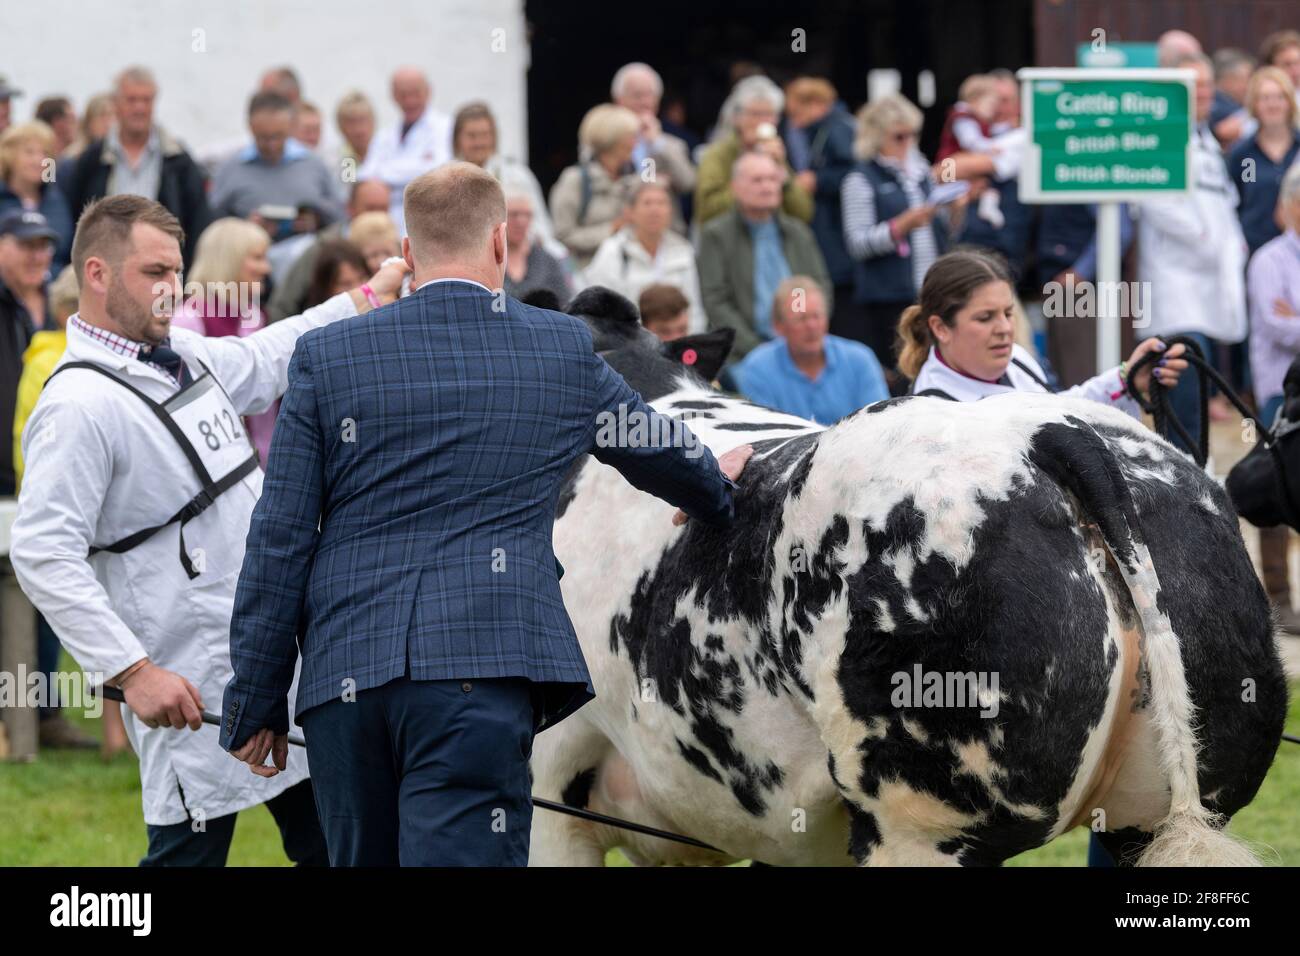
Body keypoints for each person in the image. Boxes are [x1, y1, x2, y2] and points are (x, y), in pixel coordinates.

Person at [218, 161, 751, 867]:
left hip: (345, 682)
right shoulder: (560, 346)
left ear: (407, 254)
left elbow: (278, 536)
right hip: (479, 670)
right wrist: (716, 487)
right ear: (501, 242)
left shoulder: (326, 353)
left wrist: (256, 697)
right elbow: (657, 450)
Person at [8, 193, 408, 866]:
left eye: (176, 273)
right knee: (189, 855)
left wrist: (366, 298)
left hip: (269, 649)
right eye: (154, 272)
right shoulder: (76, 405)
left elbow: (262, 360)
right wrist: (131, 671)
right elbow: (43, 552)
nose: (171, 290)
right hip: (186, 668)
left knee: (343, 844)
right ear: (98, 274)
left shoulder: (180, 353)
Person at [12, 264, 119, 753]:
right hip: (69, 506)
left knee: (95, 617)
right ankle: (39, 723)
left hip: (99, 505)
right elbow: (31, 438)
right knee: (72, 611)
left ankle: (100, 730)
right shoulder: (51, 364)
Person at [1135, 52, 1249, 451]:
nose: (1203, 94)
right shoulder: (1157, 134)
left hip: (1207, 287)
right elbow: (1152, 200)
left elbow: (1224, 203)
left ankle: (1196, 481)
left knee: (1197, 394)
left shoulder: (1206, 140)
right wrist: (1203, 238)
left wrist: (1233, 245)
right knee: (1180, 403)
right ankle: (1179, 488)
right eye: (1192, 86)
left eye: (1206, 86)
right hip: (1176, 288)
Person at [901, 248, 1185, 407]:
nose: (1004, 329)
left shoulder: (1017, 360)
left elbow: (1058, 414)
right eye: (985, 317)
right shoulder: (932, 414)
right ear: (940, 328)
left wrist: (1127, 378)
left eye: (1008, 313)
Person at [841, 94, 956, 373]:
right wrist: (900, 227)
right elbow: (857, 243)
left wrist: (954, 209)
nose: (908, 143)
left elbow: (943, 232)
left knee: (934, 368)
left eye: (913, 135)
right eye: (899, 136)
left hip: (928, 289)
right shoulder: (860, 178)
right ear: (876, 137)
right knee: (901, 372)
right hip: (889, 297)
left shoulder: (920, 172)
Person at [60, 67, 211, 267]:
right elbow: (73, 216)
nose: (139, 108)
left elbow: (198, 219)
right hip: (104, 269)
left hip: (163, 270)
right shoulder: (92, 159)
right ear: (115, 103)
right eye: (131, 100)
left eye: (146, 100)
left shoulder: (178, 160)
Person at [698, 151, 831, 363]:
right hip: (743, 352)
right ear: (735, 188)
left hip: (803, 347)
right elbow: (716, 302)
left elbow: (820, 287)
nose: (767, 187)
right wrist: (756, 349)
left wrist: (805, 334)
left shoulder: (798, 232)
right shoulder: (716, 235)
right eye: (757, 180)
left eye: (772, 179)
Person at [170, 218, 278, 463]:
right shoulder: (188, 319)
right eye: (258, 258)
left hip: (260, 464)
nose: (266, 269)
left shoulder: (254, 315)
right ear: (229, 259)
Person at [1246, 164, 1300, 633]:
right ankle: (1279, 598)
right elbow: (1275, 325)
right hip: (1279, 391)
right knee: (1275, 488)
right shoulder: (1269, 259)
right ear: (1291, 205)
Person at [732, 275, 888, 424]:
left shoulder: (860, 359)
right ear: (778, 327)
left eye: (817, 316)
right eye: (801, 319)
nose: (812, 326)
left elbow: (880, 423)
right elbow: (765, 435)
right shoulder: (757, 368)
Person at [781, 78, 857, 328]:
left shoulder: (839, 129)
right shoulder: (819, 130)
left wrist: (818, 180)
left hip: (839, 236)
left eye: (797, 112)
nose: (793, 120)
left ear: (816, 104)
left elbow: (853, 173)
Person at [580, 180, 704, 332]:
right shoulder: (612, 252)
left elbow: (694, 310)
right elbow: (598, 310)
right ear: (629, 212)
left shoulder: (683, 251)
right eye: (647, 203)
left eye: (662, 203)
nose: (655, 210)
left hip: (678, 344)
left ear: (670, 211)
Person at [210, 91, 342, 231]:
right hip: (248, 247)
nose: (272, 145)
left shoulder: (319, 162)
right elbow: (210, 221)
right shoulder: (231, 169)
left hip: (307, 246)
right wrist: (244, 228)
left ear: (291, 127)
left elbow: (340, 214)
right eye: (264, 138)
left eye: (278, 136)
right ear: (251, 127)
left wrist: (317, 220)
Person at [451, 101, 566, 260]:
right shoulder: (445, 178)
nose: (479, 143)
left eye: (485, 135)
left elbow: (541, 228)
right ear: (457, 139)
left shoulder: (517, 175)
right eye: (471, 136)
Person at [265, 178, 391, 322]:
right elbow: (284, 304)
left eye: (383, 209)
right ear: (350, 208)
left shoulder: (394, 247)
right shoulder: (321, 248)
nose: (377, 215)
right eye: (370, 208)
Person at [695, 75, 813, 225]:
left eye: (769, 114)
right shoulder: (717, 155)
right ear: (737, 118)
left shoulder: (776, 155)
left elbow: (803, 213)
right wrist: (746, 186)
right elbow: (706, 211)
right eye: (755, 114)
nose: (762, 121)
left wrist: (782, 172)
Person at [358, 67, 453, 233]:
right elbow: (365, 176)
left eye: (415, 93)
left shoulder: (446, 127)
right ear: (393, 96)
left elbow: (437, 170)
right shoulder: (384, 135)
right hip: (386, 223)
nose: (409, 101)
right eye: (403, 94)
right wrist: (413, 168)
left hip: (430, 220)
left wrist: (383, 175)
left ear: (428, 91)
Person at [548, 103, 641, 270]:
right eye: (630, 137)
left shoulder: (634, 179)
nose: (635, 143)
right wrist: (613, 228)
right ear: (611, 140)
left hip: (629, 274)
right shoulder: (575, 180)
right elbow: (562, 236)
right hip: (586, 275)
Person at [0, 209, 52, 494]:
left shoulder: (65, 305)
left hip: (49, 462)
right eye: (25, 246)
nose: (36, 256)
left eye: (42, 247)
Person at [1228, 67, 1300, 256]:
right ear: (1254, 104)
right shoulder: (1244, 155)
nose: (1272, 104)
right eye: (1264, 98)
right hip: (1255, 251)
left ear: (1289, 102)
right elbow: (1237, 200)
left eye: (1279, 97)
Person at [610, 63, 696, 218]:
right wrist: (651, 182)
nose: (644, 102)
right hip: (619, 224)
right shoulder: (605, 141)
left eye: (649, 95)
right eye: (637, 95)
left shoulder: (673, 143)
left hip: (665, 233)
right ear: (619, 101)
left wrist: (657, 143)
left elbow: (688, 183)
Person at [0, 121, 74, 270]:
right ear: (9, 156)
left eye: (45, 153)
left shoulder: (57, 199)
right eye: (29, 152)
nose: (39, 160)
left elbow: (67, 251)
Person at [503, 188, 569, 304]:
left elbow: (564, 302)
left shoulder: (548, 261)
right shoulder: (488, 261)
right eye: (514, 214)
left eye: (527, 215)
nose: (521, 221)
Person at [302, 238, 368, 309]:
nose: (358, 290)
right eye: (346, 284)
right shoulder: (315, 318)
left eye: (362, 278)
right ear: (326, 288)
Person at [1211, 49, 1258, 148]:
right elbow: (1224, 131)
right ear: (1228, 80)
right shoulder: (1217, 106)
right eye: (1247, 78)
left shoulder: (1235, 103)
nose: (1251, 84)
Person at [1259, 30, 1300, 109]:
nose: (1296, 71)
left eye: (1298, 62)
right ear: (1271, 68)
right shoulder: (1263, 101)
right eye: (1287, 65)